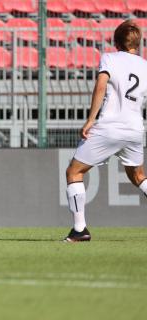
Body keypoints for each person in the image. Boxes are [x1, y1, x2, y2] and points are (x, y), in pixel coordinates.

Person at [64, 20, 147, 242]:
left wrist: (91, 119)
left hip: (109, 127)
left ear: (115, 41)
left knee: (74, 172)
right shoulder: (144, 66)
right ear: (137, 44)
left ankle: (80, 230)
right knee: (138, 176)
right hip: (134, 130)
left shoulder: (110, 58)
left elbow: (101, 86)